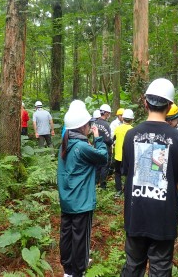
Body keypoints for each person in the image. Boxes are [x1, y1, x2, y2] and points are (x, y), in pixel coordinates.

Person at [120, 78, 178, 276]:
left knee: (132, 265)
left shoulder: (131, 135)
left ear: (145, 103)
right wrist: (165, 192)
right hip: (164, 216)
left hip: (136, 214)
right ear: (169, 106)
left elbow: (128, 173)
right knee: (160, 268)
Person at [57, 102, 108, 277]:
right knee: (80, 238)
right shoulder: (82, 147)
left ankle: (68, 269)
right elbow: (103, 157)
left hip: (67, 200)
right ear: (82, 126)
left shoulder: (65, 144)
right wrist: (98, 138)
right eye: (88, 125)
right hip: (81, 202)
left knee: (67, 235)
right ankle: (78, 271)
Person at [113, 109, 134, 198]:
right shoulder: (133, 130)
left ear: (123, 118)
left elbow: (113, 139)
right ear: (132, 119)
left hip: (118, 155)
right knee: (128, 174)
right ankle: (126, 190)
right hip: (128, 156)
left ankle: (118, 190)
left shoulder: (117, 128)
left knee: (117, 173)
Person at [94, 103, 113, 189]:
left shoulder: (95, 122)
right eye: (108, 113)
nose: (109, 115)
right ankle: (102, 186)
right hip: (105, 148)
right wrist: (112, 142)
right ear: (105, 113)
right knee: (105, 167)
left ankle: (95, 183)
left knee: (97, 166)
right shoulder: (106, 125)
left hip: (96, 147)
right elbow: (108, 139)